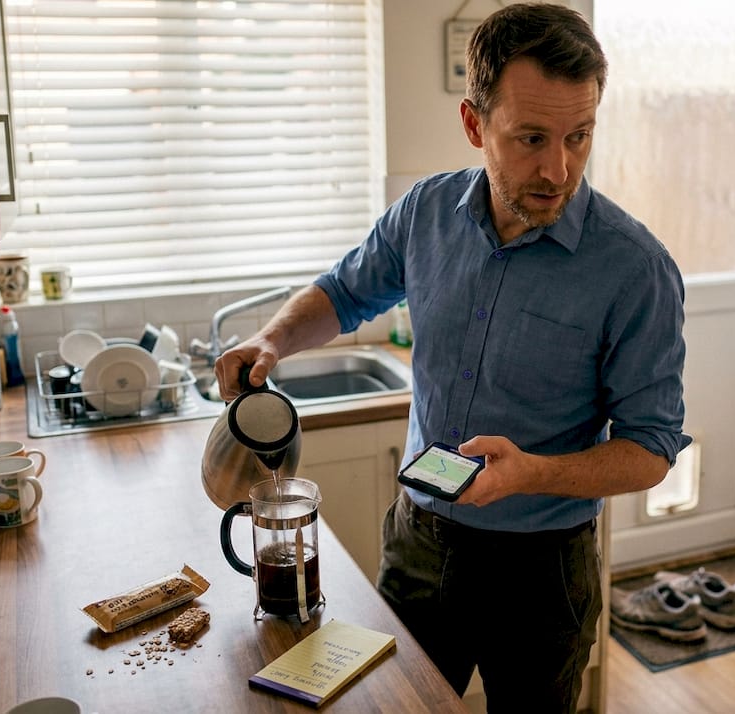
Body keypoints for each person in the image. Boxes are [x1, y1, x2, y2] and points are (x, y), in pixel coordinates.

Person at [216, 3, 690, 710]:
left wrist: (531, 473)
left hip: (544, 571)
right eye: (531, 138)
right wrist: (273, 338)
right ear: (475, 124)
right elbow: (345, 291)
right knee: (394, 706)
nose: (557, 168)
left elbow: (651, 449)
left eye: (579, 136)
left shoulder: (635, 269)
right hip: (421, 544)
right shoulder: (424, 213)